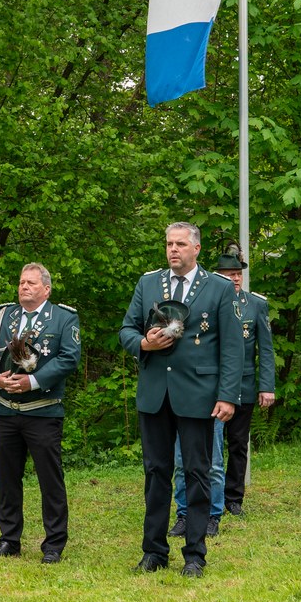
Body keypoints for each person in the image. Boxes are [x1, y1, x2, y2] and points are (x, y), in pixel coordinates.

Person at [117, 222, 243, 579]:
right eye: (169, 244)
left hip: (198, 395)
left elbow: (233, 349)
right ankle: (154, 551)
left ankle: (194, 555)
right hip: (156, 393)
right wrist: (143, 343)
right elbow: (127, 329)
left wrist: (227, 397)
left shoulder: (218, 287)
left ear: (196, 249)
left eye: (180, 244)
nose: (173, 250)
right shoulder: (149, 283)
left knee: (197, 472)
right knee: (156, 473)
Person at [0, 262, 81, 564]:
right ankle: (9, 540)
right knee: (8, 480)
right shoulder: (3, 316)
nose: (24, 287)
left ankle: (53, 544)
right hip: (5, 411)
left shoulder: (63, 318)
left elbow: (69, 359)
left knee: (50, 480)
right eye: (22, 282)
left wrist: (32, 381)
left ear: (46, 289)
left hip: (42, 411)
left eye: (31, 283)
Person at [216, 242, 274, 518]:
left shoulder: (256, 305)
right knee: (210, 445)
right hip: (213, 387)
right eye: (228, 274)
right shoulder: (210, 304)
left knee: (238, 443)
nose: (235, 278)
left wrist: (267, 386)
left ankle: (233, 497)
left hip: (244, 386)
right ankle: (210, 495)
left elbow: (266, 349)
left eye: (237, 273)